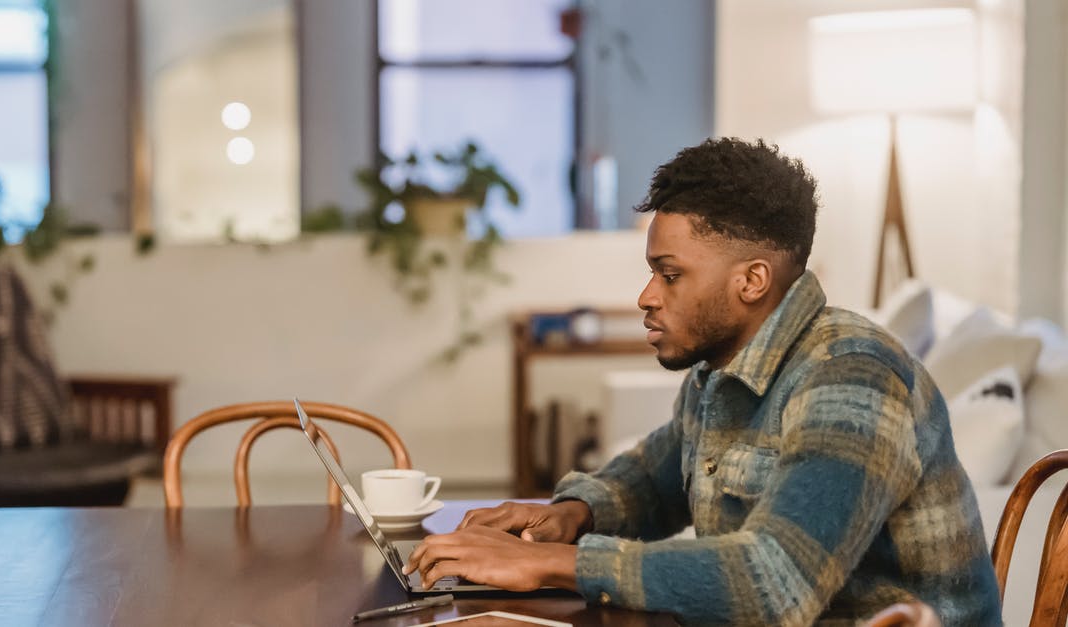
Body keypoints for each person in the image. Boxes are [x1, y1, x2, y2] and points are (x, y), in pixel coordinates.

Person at [404, 138, 1002, 626]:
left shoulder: (853, 378)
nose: (646, 296)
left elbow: (776, 581)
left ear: (752, 280)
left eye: (669, 274)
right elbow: (653, 479)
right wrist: (572, 514)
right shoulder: (723, 370)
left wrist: (560, 564)